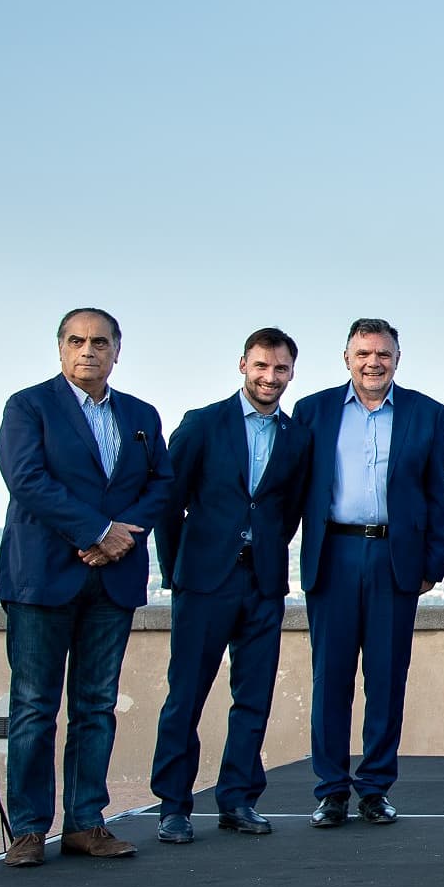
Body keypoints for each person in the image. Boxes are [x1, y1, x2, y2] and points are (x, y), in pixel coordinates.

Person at [0, 308, 173, 867]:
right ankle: (27, 831)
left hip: (112, 581)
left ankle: (85, 824)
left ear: (117, 351)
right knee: (33, 707)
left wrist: (118, 539)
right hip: (42, 577)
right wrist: (96, 531)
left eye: (100, 342)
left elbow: (160, 486)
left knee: (96, 706)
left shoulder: (141, 415)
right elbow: (26, 478)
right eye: (77, 340)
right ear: (60, 348)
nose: (88, 350)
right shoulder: (29, 406)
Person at [149, 328, 314, 845]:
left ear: (291, 372)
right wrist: (180, 570)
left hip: (263, 582)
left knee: (254, 696)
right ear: (243, 364)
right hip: (202, 581)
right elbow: (168, 504)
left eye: (281, 369)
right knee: (187, 696)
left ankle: (238, 798)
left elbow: (287, 511)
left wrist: (262, 551)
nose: (270, 378)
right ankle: (173, 806)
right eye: (262, 366)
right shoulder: (203, 424)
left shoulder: (296, 436)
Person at [295, 317, 444, 828]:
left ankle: (376, 789)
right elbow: (292, 489)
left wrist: (432, 562)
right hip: (334, 554)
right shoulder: (312, 411)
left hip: (393, 558)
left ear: (397, 359)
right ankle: (331, 791)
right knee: (331, 679)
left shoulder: (425, 414)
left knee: (386, 680)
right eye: (363, 353)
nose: (373, 362)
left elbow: (436, 494)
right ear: (347, 358)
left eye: (383, 353)